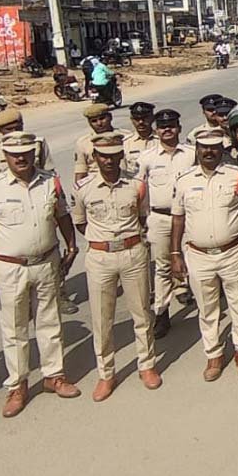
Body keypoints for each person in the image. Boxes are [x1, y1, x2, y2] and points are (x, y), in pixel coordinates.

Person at [0, 131, 81, 418]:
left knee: (50, 321)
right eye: (14, 154)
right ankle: (17, 385)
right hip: (9, 268)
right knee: (14, 328)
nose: (21, 158)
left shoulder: (50, 181)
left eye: (26, 153)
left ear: (34, 153)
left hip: (46, 262)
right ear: (5, 156)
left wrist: (71, 246)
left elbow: (62, 215)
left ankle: (54, 375)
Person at [70, 132, 159, 402]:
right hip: (100, 256)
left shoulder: (136, 184)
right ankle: (106, 373)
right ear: (95, 157)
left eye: (113, 156)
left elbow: (142, 216)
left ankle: (147, 365)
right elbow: (80, 222)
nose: (108, 161)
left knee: (142, 313)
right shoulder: (83, 187)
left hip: (132, 252)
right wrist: (104, 241)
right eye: (103, 156)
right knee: (102, 318)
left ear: (121, 155)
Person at [170, 128, 238, 382]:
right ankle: (214, 355)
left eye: (214, 147)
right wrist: (175, 253)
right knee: (207, 308)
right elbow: (178, 219)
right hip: (198, 254)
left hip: (233, 251)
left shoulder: (236, 175)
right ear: (197, 150)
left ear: (221, 149)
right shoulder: (184, 180)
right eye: (204, 147)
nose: (208, 152)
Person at [136, 108, 194, 338]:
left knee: (194, 263)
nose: (167, 130)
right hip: (160, 217)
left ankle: (205, 310)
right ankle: (161, 313)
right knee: (163, 267)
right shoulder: (146, 157)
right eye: (162, 126)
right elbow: (139, 190)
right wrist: (141, 220)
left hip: (189, 216)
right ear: (156, 130)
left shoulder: (191, 154)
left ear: (179, 128)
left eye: (171, 125)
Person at [0, 108, 52, 178]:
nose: (14, 132)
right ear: (0, 130)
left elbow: (49, 171)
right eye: (9, 129)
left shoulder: (37, 144)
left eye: (18, 128)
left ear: (22, 125)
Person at [74, 103, 119, 183]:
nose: (99, 123)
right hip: (96, 185)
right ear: (89, 123)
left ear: (110, 117)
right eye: (94, 121)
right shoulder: (83, 143)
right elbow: (81, 172)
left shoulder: (125, 137)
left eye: (102, 118)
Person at [122, 101, 158, 177]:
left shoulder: (161, 140)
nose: (141, 122)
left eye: (145, 118)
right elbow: (123, 171)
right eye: (137, 119)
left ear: (153, 118)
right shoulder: (126, 143)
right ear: (132, 120)